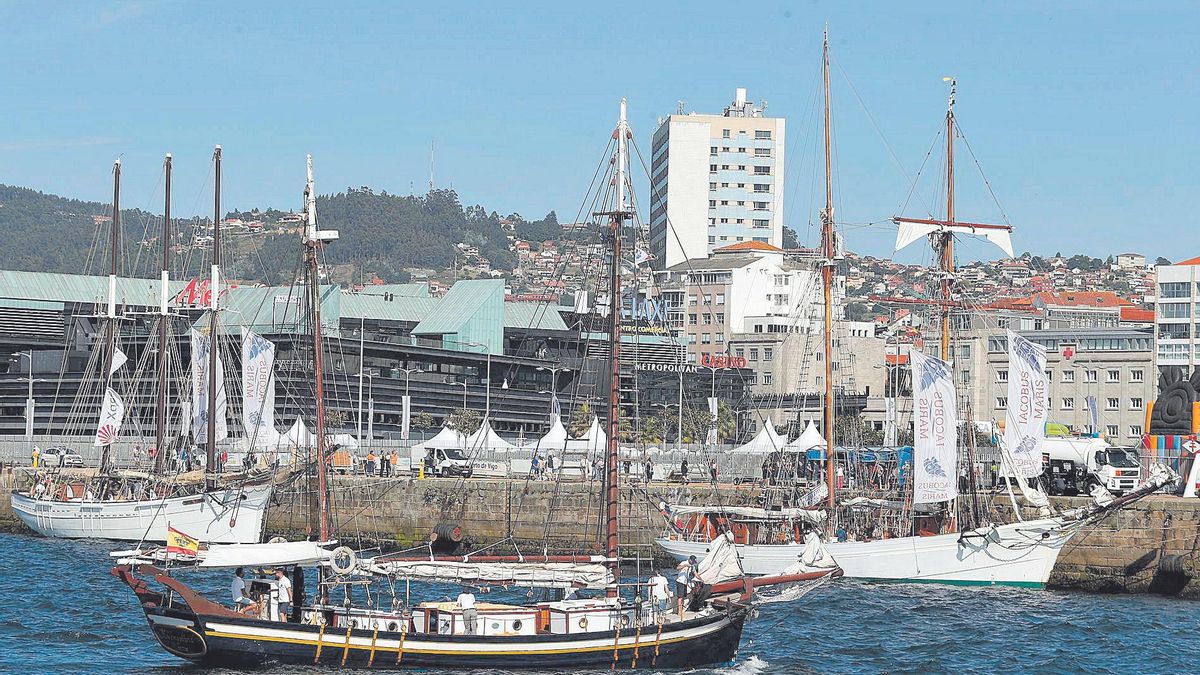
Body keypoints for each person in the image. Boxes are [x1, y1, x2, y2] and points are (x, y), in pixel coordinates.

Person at [675, 556, 697, 620]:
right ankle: (679, 611)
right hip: (680, 582)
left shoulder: (692, 566)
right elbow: (677, 567)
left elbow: (695, 573)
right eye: (692, 561)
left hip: (685, 583)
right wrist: (685, 565)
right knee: (680, 597)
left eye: (694, 562)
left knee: (684, 597)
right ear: (689, 560)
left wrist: (701, 579)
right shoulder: (684, 562)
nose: (693, 563)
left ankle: (681, 609)